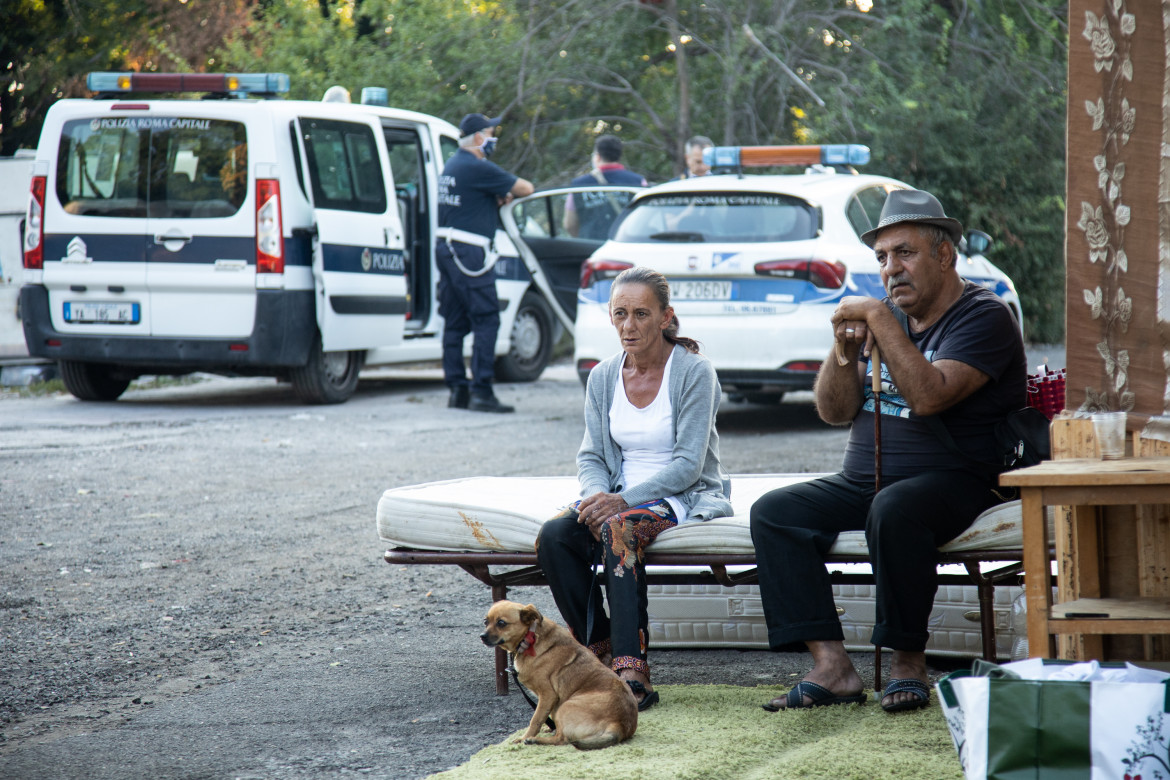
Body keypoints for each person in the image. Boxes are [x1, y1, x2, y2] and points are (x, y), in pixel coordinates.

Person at [749, 189, 1026, 713]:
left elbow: (930, 396)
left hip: (958, 480)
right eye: (882, 258)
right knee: (774, 513)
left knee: (894, 508)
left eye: (905, 252)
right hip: (865, 481)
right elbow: (834, 411)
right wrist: (843, 351)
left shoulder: (982, 316)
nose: (891, 268)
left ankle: (907, 662)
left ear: (944, 255)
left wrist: (878, 320)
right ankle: (833, 667)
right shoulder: (888, 318)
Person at [535, 266, 733, 711]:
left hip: (682, 494)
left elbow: (689, 465)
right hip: (617, 494)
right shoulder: (604, 377)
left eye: (642, 314)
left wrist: (619, 502)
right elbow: (591, 456)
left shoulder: (695, 372)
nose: (629, 325)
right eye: (620, 313)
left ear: (666, 317)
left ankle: (631, 669)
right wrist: (596, 497)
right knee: (554, 535)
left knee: (619, 529)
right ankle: (595, 651)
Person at [436, 113, 534, 413]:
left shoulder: (452, 166)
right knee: (487, 318)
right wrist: (502, 194)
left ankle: (457, 390)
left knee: (454, 321)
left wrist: (492, 200)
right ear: (478, 138)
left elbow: (468, 202)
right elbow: (525, 189)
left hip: (447, 247)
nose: (493, 139)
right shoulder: (477, 167)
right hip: (469, 252)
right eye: (490, 133)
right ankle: (482, 391)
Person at [562, 135, 647, 239]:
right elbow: (645, 218)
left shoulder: (577, 185)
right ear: (619, 156)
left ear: (597, 157)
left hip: (590, 248)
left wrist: (584, 238)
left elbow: (569, 224)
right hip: (626, 247)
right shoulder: (638, 182)